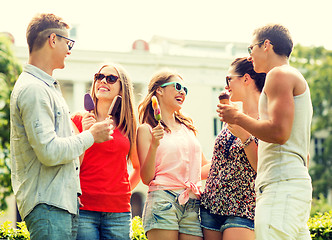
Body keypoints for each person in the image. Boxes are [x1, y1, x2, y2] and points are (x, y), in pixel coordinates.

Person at [10, 13, 113, 240]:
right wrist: (91, 136)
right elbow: (49, 152)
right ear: (53, 40)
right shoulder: (34, 89)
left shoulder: (46, 87)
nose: (70, 49)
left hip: (60, 204)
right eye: (69, 42)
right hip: (48, 205)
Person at [218, 24, 313, 240]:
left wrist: (237, 118)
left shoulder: (278, 74)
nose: (249, 55)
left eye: (251, 48)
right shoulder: (289, 76)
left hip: (280, 189)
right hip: (291, 186)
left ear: (266, 45)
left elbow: (280, 132)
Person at [136, 69, 209, 240]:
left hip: (192, 203)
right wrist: (154, 144)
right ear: (159, 90)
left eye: (185, 89)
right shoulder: (146, 130)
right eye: (177, 86)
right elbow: (146, 178)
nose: (182, 92)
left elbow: (203, 168)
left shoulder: (188, 128)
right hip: (163, 200)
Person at [71, 63, 140, 240]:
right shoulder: (78, 119)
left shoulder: (129, 126)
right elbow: (72, 165)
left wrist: (122, 193)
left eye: (110, 79)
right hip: (84, 209)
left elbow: (138, 168)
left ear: (121, 88)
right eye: (99, 77)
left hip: (119, 213)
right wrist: (87, 134)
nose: (103, 81)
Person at [200, 57, 266, 240]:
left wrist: (245, 136)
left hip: (242, 209)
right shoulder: (232, 117)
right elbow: (219, 164)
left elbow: (262, 167)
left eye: (229, 79)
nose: (226, 86)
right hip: (211, 207)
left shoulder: (266, 120)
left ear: (246, 79)